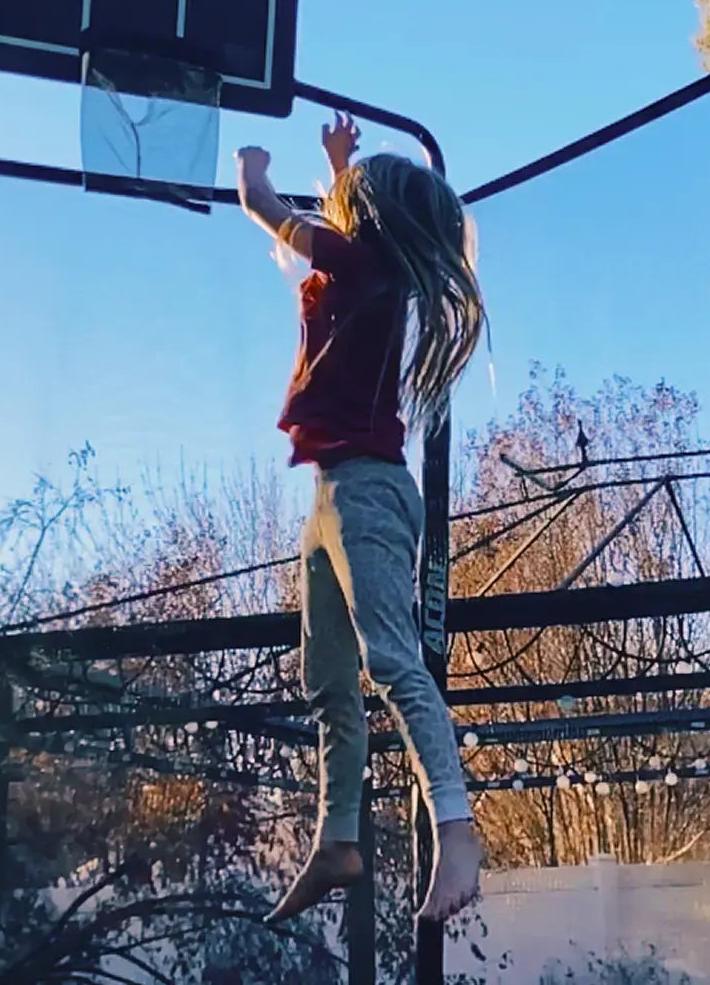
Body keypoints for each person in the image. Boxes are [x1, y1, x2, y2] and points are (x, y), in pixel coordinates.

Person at [232, 113, 486, 925]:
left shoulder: (359, 263)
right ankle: (337, 839)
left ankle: (457, 828)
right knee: (328, 677)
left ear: (367, 218)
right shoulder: (373, 271)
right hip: (330, 492)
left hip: (367, 492)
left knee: (392, 661)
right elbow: (330, 222)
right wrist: (340, 163)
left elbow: (261, 205)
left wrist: (253, 164)